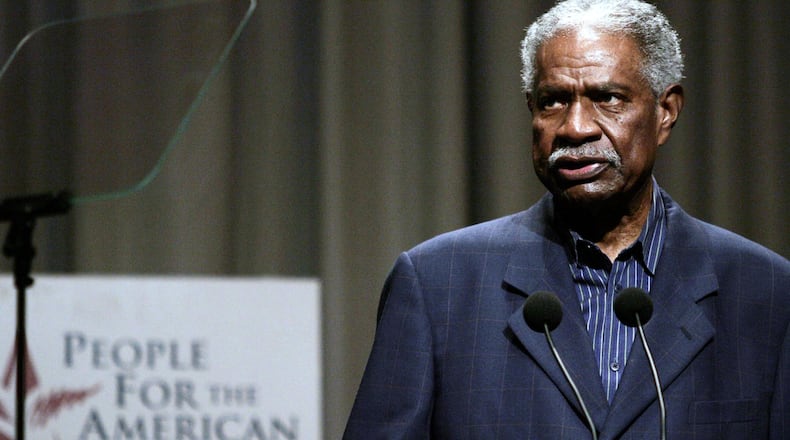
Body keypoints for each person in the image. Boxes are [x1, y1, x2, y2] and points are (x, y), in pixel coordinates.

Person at [343, 0, 790, 438]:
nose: (575, 127)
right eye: (553, 101)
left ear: (665, 112)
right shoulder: (438, 284)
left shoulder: (766, 292)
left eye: (607, 98)